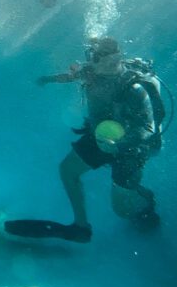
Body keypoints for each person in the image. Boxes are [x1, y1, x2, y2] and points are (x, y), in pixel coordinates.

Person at [31, 37, 160, 242]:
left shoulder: (134, 89)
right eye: (98, 59)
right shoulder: (90, 71)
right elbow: (69, 76)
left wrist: (118, 145)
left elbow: (147, 129)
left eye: (112, 60)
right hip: (100, 135)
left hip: (130, 149)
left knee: (123, 211)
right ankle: (81, 227)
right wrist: (48, 79)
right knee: (67, 171)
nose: (106, 65)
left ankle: (145, 203)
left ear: (119, 57)